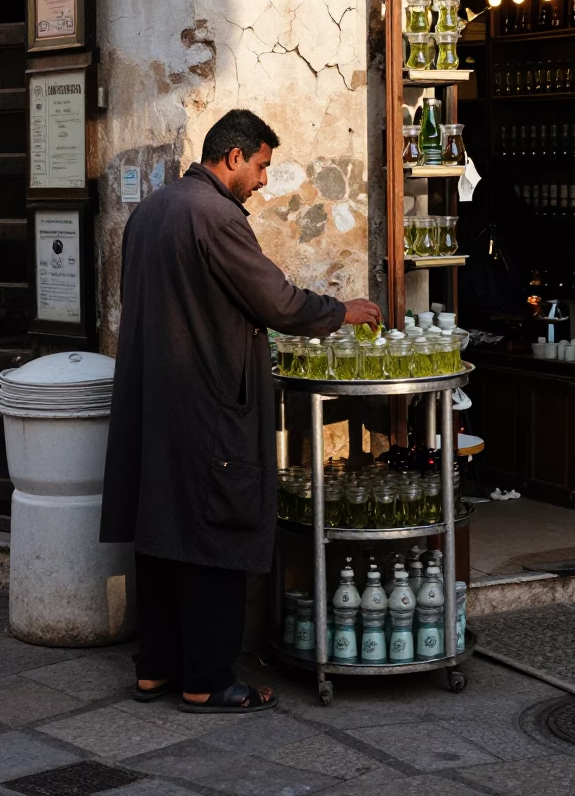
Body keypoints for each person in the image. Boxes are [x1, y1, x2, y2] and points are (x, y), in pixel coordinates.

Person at [100, 108, 381, 714]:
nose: (261, 181)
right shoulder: (216, 216)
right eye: (260, 167)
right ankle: (206, 679)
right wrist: (341, 311)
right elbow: (275, 300)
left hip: (155, 404)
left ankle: (156, 669)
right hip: (206, 405)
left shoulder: (150, 212)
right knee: (212, 538)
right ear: (233, 157)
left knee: (162, 533)